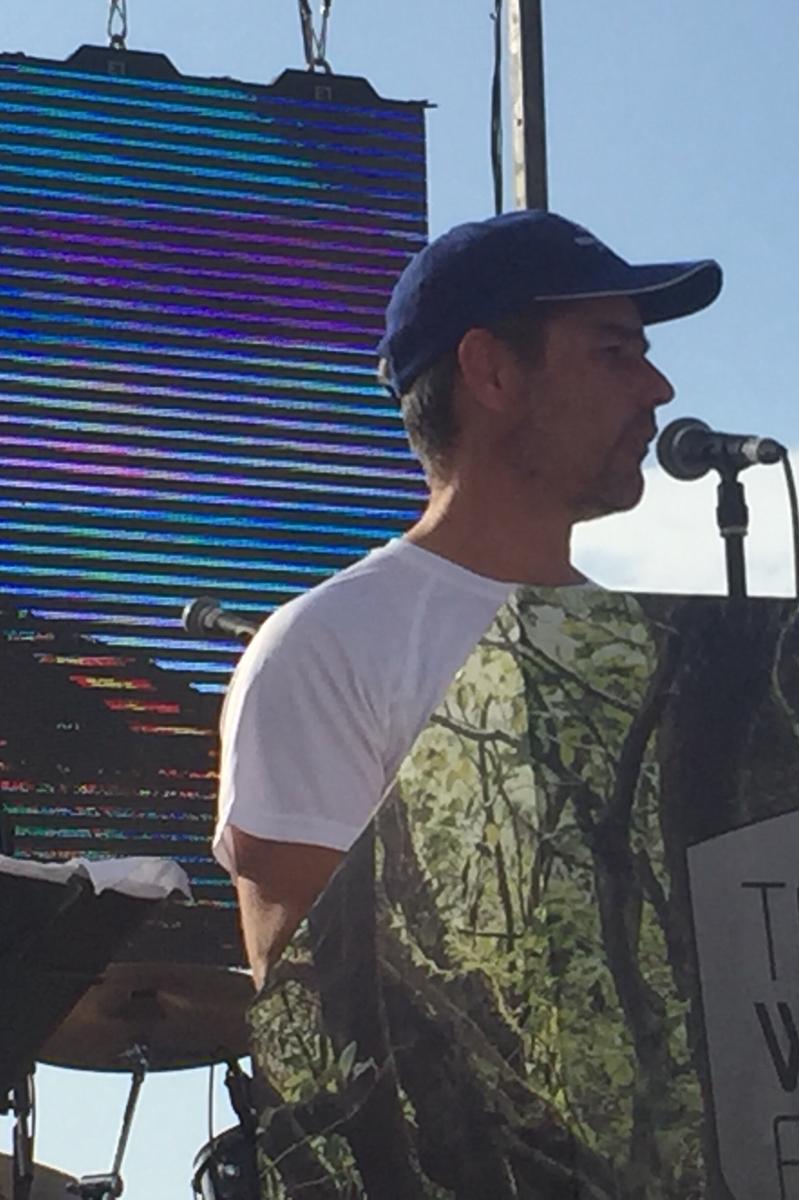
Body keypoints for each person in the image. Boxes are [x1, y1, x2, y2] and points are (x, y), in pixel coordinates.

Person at [212, 210, 721, 987]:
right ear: (490, 371)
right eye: (615, 352)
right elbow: (315, 1012)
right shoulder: (325, 648)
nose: (659, 387)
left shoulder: (652, 647)